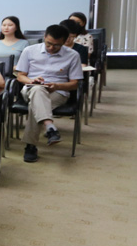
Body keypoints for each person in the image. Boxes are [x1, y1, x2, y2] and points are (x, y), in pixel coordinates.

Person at [14, 24, 84, 163]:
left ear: (64, 42)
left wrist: (57, 85)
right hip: (30, 88)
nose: (51, 48)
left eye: (56, 45)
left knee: (35, 104)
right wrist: (32, 80)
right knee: (37, 90)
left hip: (58, 92)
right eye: (48, 44)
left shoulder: (73, 55)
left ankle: (31, 146)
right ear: (44, 37)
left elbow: (75, 84)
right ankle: (49, 126)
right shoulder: (29, 50)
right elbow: (20, 76)